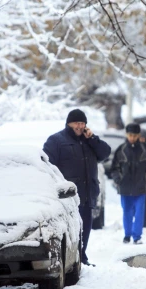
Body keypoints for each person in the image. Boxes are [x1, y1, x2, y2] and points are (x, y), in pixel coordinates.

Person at [43, 109, 111, 266]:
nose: (80, 126)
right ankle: (71, 260)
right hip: (68, 196)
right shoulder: (56, 141)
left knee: (85, 228)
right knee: (71, 229)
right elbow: (47, 165)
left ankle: (82, 257)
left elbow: (105, 153)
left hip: (87, 194)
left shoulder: (89, 141)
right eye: (76, 123)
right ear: (68, 123)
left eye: (82, 123)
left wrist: (93, 138)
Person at [110, 123, 146, 244]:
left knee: (139, 212)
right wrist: (119, 180)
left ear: (139, 135)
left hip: (140, 188)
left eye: (134, 135)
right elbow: (114, 168)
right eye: (130, 135)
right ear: (126, 135)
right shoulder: (121, 150)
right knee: (127, 211)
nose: (132, 138)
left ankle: (137, 236)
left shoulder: (145, 151)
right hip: (125, 188)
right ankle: (127, 234)